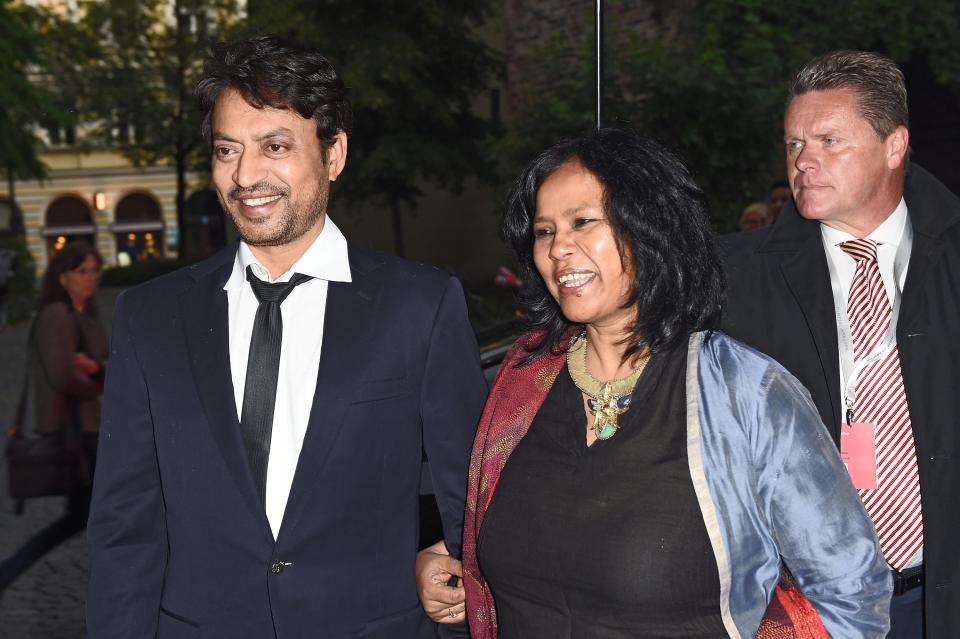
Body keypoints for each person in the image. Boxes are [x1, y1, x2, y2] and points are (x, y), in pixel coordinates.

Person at [86, 36, 487, 638]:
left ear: (333, 154)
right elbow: (124, 527)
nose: (246, 175)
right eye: (228, 150)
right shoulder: (150, 317)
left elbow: (474, 508)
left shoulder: (420, 305)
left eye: (275, 146)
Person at [420, 128, 890, 638]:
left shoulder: (744, 394)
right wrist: (451, 558)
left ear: (650, 230)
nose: (559, 249)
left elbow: (852, 595)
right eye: (544, 231)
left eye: (583, 222)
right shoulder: (522, 385)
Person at [721, 50, 960, 639]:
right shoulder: (731, 277)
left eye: (829, 141)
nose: (803, 161)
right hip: (802, 606)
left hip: (939, 595)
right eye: (793, 144)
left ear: (894, 146)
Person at [0, 241, 106, 590]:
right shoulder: (56, 316)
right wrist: (104, 380)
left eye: (94, 270)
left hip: (91, 428)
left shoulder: (84, 314)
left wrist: (98, 368)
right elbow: (63, 375)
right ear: (62, 277)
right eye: (81, 272)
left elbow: (101, 361)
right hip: (76, 431)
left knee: (84, 516)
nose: (90, 278)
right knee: (90, 514)